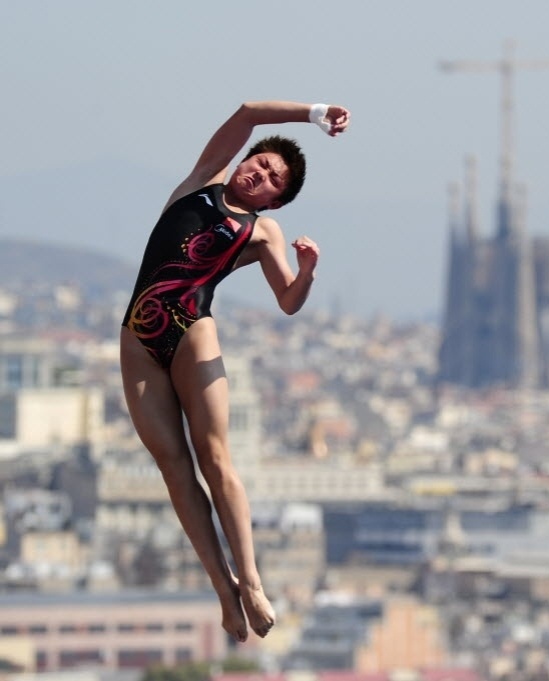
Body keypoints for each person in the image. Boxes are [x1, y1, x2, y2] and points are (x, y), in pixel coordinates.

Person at [119, 101, 350, 642]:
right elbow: (248, 111)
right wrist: (313, 114)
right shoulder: (199, 183)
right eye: (260, 162)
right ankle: (224, 593)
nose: (260, 174)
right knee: (174, 468)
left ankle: (251, 580)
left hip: (192, 331)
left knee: (216, 459)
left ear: (278, 197)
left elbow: (288, 301)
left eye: (273, 178)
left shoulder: (263, 230)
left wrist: (309, 270)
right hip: (137, 336)